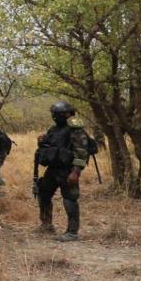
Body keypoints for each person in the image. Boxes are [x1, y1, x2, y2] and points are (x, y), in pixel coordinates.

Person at [34, 100, 90, 242]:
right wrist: (42, 141)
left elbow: (82, 152)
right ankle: (46, 225)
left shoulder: (75, 130)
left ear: (66, 114)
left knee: (70, 199)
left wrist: (76, 172)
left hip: (68, 170)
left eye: (56, 114)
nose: (54, 116)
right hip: (53, 169)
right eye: (53, 114)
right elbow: (50, 146)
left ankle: (72, 232)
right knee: (43, 192)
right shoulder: (54, 129)